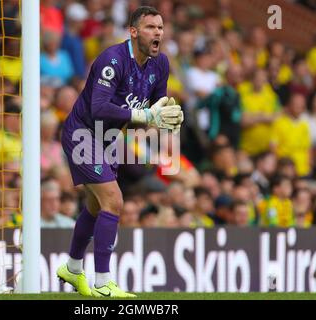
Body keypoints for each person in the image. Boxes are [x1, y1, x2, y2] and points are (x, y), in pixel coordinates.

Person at [56, 6, 183, 298]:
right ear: (134, 31)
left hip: (112, 138)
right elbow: (98, 108)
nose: (158, 33)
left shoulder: (160, 64)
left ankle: (72, 269)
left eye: (161, 28)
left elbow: (157, 106)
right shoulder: (111, 60)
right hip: (83, 133)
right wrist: (145, 117)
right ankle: (103, 283)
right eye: (151, 27)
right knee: (113, 200)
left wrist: (169, 118)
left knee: (96, 205)